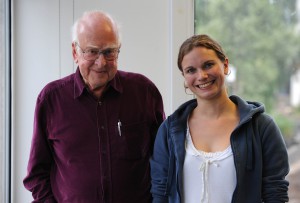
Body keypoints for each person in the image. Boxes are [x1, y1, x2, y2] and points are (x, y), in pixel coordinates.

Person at [23, 10, 165, 203]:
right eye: (92, 51)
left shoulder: (145, 93)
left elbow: (163, 164)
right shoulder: (51, 99)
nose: (101, 62)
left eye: (109, 51)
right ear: (75, 52)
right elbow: (37, 174)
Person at [150, 34, 289, 203]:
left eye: (208, 65)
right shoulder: (170, 130)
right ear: (185, 78)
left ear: (225, 65)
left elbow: (275, 194)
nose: (201, 76)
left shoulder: (261, 127)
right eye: (191, 70)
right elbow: (160, 194)